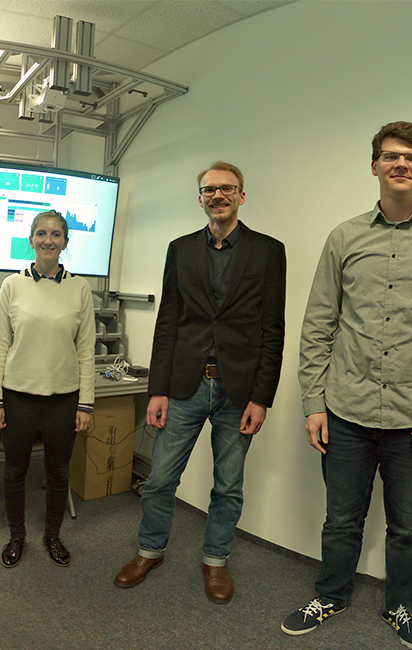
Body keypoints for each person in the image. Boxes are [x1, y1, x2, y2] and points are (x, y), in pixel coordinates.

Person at [283, 121, 412, 650]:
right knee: (340, 521)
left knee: (408, 526)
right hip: (346, 412)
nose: (401, 164)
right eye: (391, 155)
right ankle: (331, 595)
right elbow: (318, 326)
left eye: (411, 157)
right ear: (374, 166)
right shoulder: (344, 238)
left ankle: (399, 605)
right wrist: (314, 403)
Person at [118, 162, 286, 603]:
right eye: (209, 190)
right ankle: (149, 550)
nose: (218, 196)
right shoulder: (180, 249)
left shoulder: (269, 251)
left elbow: (273, 328)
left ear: (241, 196)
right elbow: (168, 321)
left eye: (227, 188)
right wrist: (157, 389)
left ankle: (215, 560)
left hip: (238, 391)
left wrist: (261, 397)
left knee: (227, 485)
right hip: (184, 385)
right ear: (200, 199)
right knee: (159, 480)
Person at [0, 210, 97, 569]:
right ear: (31, 239)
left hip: (63, 399)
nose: (48, 240)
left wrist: (85, 404)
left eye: (56, 234)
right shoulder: (12, 285)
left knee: (58, 474)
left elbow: (86, 350)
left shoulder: (80, 288)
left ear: (65, 241)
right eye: (41, 233)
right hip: (18, 396)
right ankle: (16, 536)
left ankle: (53, 535)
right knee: (14, 472)